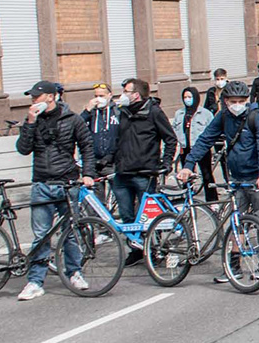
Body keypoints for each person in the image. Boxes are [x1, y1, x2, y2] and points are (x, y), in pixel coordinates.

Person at [176, 81, 259, 282]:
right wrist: (188, 165)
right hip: (236, 177)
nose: (237, 105)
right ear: (226, 101)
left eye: (241, 101)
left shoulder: (257, 117)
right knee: (236, 224)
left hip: (256, 177)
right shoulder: (223, 116)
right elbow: (205, 139)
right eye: (233, 101)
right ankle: (234, 267)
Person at [14, 81, 98, 300]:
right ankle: (35, 281)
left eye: (37, 97)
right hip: (41, 183)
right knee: (41, 236)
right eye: (32, 98)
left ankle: (75, 273)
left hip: (67, 183)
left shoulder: (72, 119)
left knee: (70, 231)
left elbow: (87, 146)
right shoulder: (33, 120)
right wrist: (30, 122)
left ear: (51, 97)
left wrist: (88, 173)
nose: (33, 101)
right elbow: (23, 149)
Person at [109, 77, 177, 260]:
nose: (123, 95)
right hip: (123, 173)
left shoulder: (153, 112)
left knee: (149, 216)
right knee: (127, 216)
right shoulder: (122, 112)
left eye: (126, 91)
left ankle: (155, 249)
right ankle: (136, 250)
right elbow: (118, 139)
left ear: (136, 95)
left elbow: (170, 138)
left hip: (144, 173)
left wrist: (166, 162)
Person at [172, 86, 214, 197]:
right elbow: (175, 129)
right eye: (185, 97)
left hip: (201, 148)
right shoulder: (179, 113)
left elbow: (212, 130)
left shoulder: (205, 113)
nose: (187, 99)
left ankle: (212, 199)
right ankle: (187, 196)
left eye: (190, 97)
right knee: (186, 174)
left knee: (206, 174)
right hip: (185, 147)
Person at [81, 83, 120, 174]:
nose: (98, 99)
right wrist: (87, 110)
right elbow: (78, 125)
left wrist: (111, 155)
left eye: (101, 96)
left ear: (109, 95)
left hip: (113, 162)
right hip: (94, 161)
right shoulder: (92, 112)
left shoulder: (117, 112)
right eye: (96, 96)